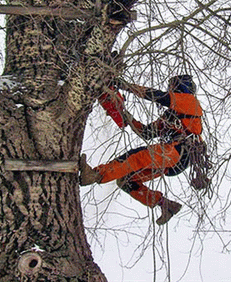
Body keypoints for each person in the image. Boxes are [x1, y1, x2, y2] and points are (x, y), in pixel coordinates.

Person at [80, 75, 206, 225]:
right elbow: (146, 133)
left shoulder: (190, 101)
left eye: (172, 87)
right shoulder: (170, 116)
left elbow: (158, 96)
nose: (170, 90)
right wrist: (127, 116)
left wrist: (123, 85)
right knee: (126, 181)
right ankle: (166, 205)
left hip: (180, 150)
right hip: (175, 160)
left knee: (136, 157)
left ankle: (95, 175)